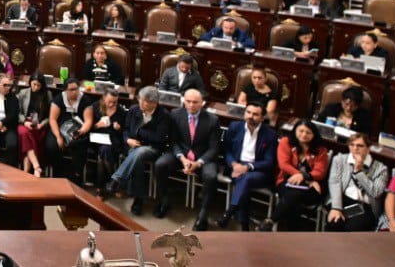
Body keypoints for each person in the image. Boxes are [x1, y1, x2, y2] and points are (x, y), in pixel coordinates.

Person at [154, 89, 219, 230]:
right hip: (181, 154)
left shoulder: (212, 120)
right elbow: (173, 141)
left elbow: (214, 148)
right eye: (188, 101)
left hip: (203, 157)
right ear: (183, 100)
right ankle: (164, 201)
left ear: (202, 103)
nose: (191, 105)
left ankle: (203, 214)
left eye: (195, 102)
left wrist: (198, 163)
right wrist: (182, 158)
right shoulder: (175, 114)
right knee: (160, 164)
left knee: (211, 176)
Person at [102, 87, 170, 216]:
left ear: (152, 102)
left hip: (152, 148)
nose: (139, 102)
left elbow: (159, 138)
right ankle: (138, 199)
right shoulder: (134, 110)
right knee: (137, 159)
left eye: (143, 101)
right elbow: (126, 129)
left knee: (138, 153)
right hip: (132, 145)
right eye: (140, 99)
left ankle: (117, 180)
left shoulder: (163, 115)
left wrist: (139, 132)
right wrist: (128, 140)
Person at [215, 103, 278, 231]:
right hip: (236, 166)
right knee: (244, 183)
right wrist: (234, 164)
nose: (250, 116)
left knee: (246, 179)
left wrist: (248, 167)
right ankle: (244, 224)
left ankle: (229, 213)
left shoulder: (270, 134)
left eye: (255, 114)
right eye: (248, 112)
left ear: (262, 117)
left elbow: (269, 161)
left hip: (258, 170)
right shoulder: (234, 127)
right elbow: (226, 150)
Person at [268, 120, 329, 231]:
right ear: (295, 130)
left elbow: (320, 172)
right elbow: (284, 164)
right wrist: (305, 176)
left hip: (312, 188)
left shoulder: (321, 150)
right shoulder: (286, 141)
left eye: (308, 132)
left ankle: (270, 221)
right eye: (301, 131)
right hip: (286, 181)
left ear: (314, 134)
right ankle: (293, 232)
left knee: (293, 197)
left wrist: (305, 177)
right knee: (294, 198)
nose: (304, 135)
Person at [324, 131, 389, 232]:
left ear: (368, 149)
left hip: (365, 206)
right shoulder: (339, 160)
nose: (355, 148)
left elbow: (376, 193)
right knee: (334, 223)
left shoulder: (381, 168)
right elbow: (334, 183)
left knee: (352, 229)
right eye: (352, 145)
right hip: (341, 200)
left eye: (360, 146)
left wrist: (358, 172)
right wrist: (336, 208)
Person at [47, 78, 94, 182]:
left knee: (79, 146)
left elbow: (88, 121)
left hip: (78, 130)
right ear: (65, 90)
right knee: (52, 146)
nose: (74, 92)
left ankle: (76, 175)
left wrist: (81, 132)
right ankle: (57, 173)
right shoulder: (59, 99)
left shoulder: (85, 100)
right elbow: (52, 119)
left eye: (76, 89)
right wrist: (58, 137)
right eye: (71, 89)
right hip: (59, 129)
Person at [17, 75, 51, 176]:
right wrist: (24, 122)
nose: (35, 87)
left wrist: (42, 124)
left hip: (39, 124)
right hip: (25, 122)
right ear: (30, 83)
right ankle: (36, 167)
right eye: (34, 84)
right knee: (24, 133)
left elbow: (50, 116)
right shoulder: (23, 93)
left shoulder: (47, 94)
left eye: (38, 85)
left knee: (27, 140)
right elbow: (17, 112)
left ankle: (26, 173)